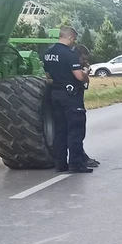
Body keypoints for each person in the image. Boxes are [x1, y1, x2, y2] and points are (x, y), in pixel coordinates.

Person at [41, 27, 92, 173]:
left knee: (60, 130)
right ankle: (76, 164)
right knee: (75, 130)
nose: (73, 42)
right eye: (74, 39)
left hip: (55, 94)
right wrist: (86, 72)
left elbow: (48, 76)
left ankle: (60, 164)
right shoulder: (69, 54)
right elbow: (79, 77)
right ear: (70, 37)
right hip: (71, 96)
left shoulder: (48, 53)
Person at [71, 45, 100, 168]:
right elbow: (82, 80)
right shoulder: (74, 68)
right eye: (83, 59)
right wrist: (86, 71)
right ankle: (78, 160)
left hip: (73, 102)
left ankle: (81, 157)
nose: (85, 62)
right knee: (76, 132)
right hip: (74, 104)